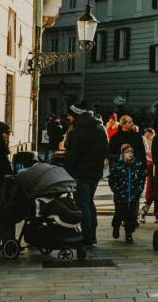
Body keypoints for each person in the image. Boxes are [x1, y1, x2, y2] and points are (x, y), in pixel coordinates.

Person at [63, 106, 109, 247]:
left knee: (83, 205)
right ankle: (92, 236)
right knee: (89, 202)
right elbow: (104, 151)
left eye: (69, 116)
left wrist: (67, 172)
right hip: (95, 173)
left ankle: (86, 237)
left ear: (75, 116)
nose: (68, 119)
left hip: (80, 174)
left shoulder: (76, 132)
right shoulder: (99, 129)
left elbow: (72, 157)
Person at [108, 143, 146, 244]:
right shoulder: (117, 166)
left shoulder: (137, 166)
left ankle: (128, 234)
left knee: (131, 216)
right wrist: (117, 190)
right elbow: (112, 180)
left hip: (133, 196)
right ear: (123, 154)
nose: (130, 154)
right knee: (119, 214)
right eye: (127, 152)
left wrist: (139, 189)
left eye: (131, 152)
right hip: (120, 196)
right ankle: (116, 227)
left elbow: (142, 179)